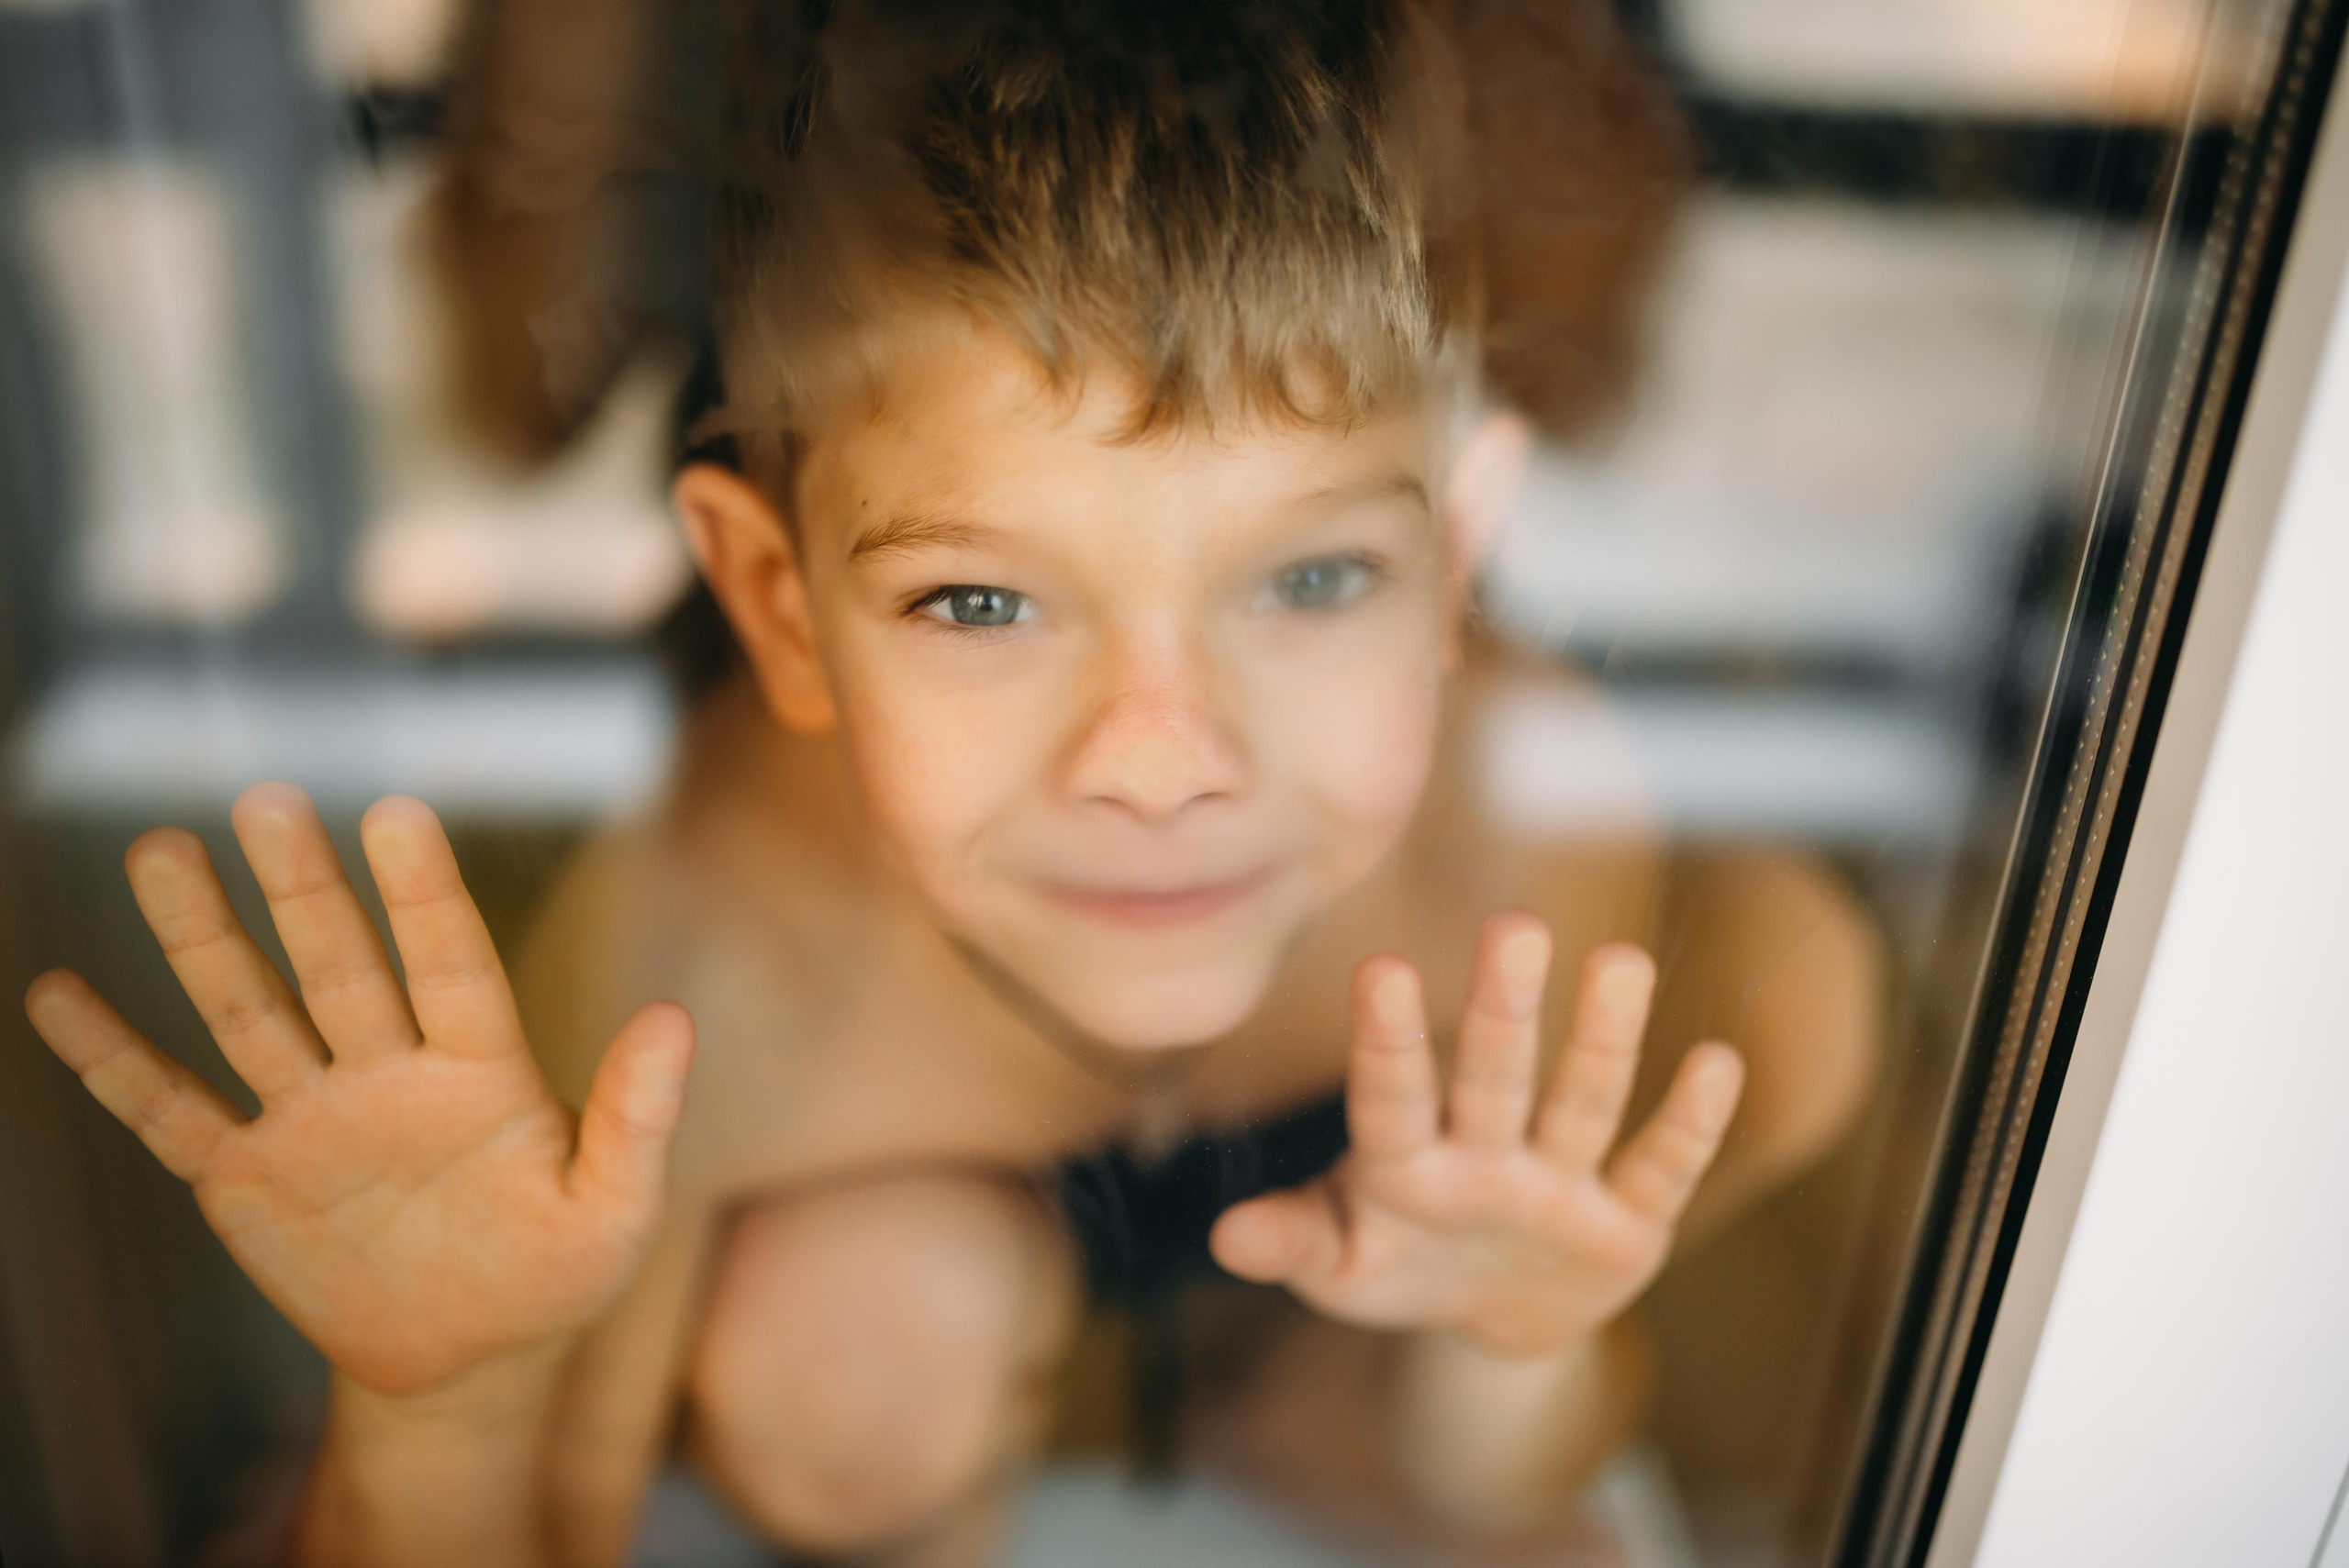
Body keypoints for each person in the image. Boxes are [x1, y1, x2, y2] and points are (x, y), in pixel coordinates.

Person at [26, 3, 1883, 1564]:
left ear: (1454, 566)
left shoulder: (1512, 832)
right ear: (778, 607)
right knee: (844, 1372)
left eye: (1313, 580)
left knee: (1793, 999)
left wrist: (1512, 1340)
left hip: (1339, 1168)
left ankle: (1306, 1403)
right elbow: (551, 1528)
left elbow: (1522, 1455)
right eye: (980, 603)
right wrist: (441, 1407)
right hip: (897, 1181)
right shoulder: (708, 940)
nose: (1158, 757)